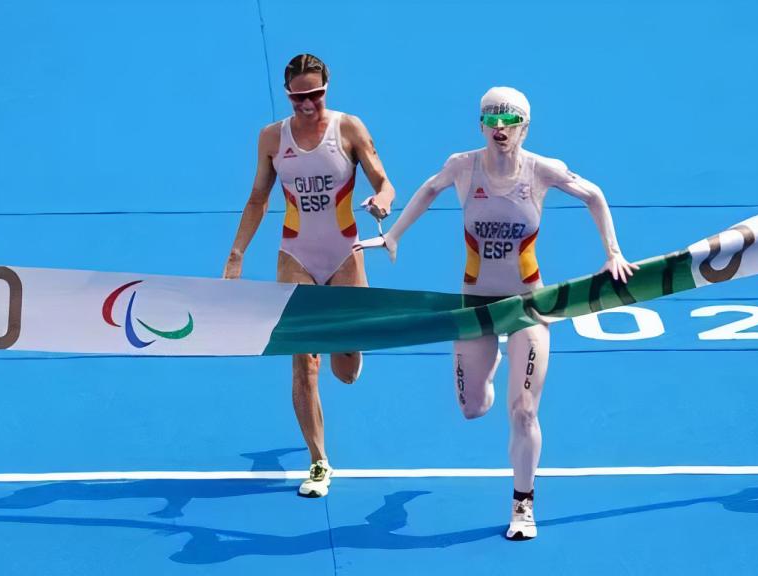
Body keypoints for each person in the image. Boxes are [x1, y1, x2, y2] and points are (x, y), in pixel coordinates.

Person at [357, 87, 636, 539]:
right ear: (481, 125)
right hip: (475, 305)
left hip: (528, 305)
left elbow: (595, 196)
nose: (501, 129)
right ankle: (490, 365)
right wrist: (393, 237)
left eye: (510, 121)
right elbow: (428, 190)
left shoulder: (543, 170)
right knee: (472, 409)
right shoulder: (462, 167)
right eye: (492, 120)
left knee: (523, 411)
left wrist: (613, 253)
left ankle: (523, 507)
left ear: (525, 127)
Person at [224, 53, 395, 498]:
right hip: (295, 255)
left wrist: (383, 200)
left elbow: (383, 181)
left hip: (344, 255)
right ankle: (319, 461)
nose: (308, 104)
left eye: (315, 94)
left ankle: (349, 349)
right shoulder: (270, 139)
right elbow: (258, 199)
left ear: (327, 89)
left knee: (346, 368)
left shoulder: (349, 129)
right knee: (304, 361)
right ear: (288, 95)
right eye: (299, 96)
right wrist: (236, 254)